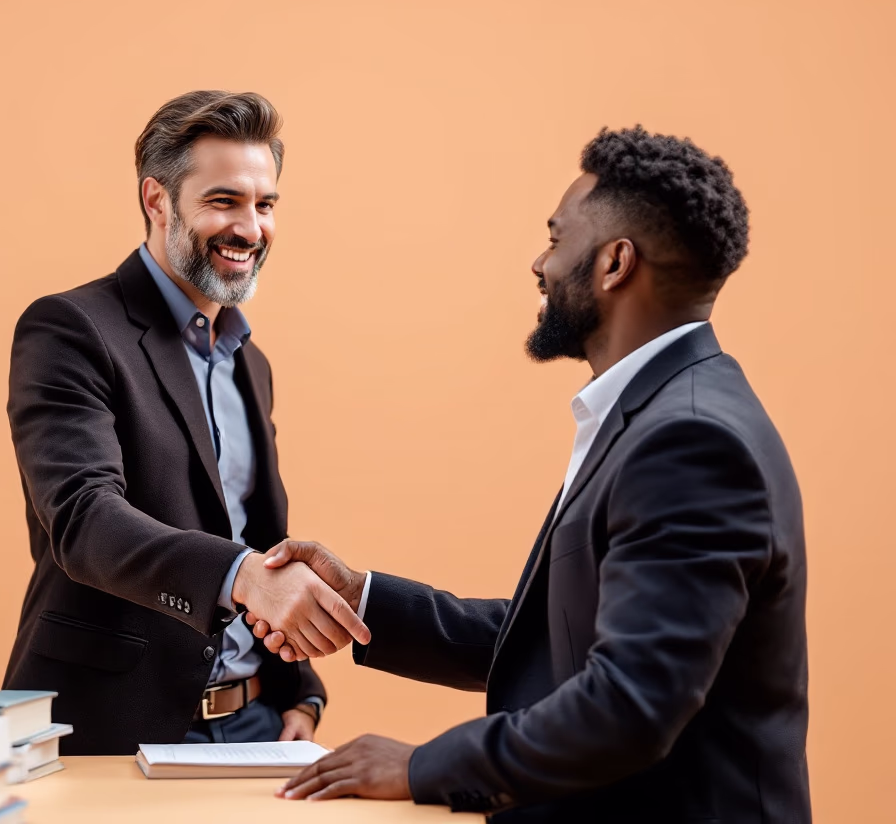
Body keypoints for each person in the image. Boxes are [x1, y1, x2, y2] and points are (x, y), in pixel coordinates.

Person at [254, 127, 810, 822]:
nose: (539, 263)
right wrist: (364, 600)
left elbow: (629, 707)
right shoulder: (663, 412)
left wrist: (422, 766)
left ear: (614, 263)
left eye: (555, 238)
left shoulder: (689, 442)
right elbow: (561, 640)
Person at [2, 90, 368, 754]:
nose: (251, 229)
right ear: (156, 200)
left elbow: (255, 533)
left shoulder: (248, 361)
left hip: (255, 726)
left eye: (265, 205)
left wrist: (299, 694)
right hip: (114, 728)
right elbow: (83, 519)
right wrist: (241, 574)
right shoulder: (70, 329)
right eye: (224, 201)